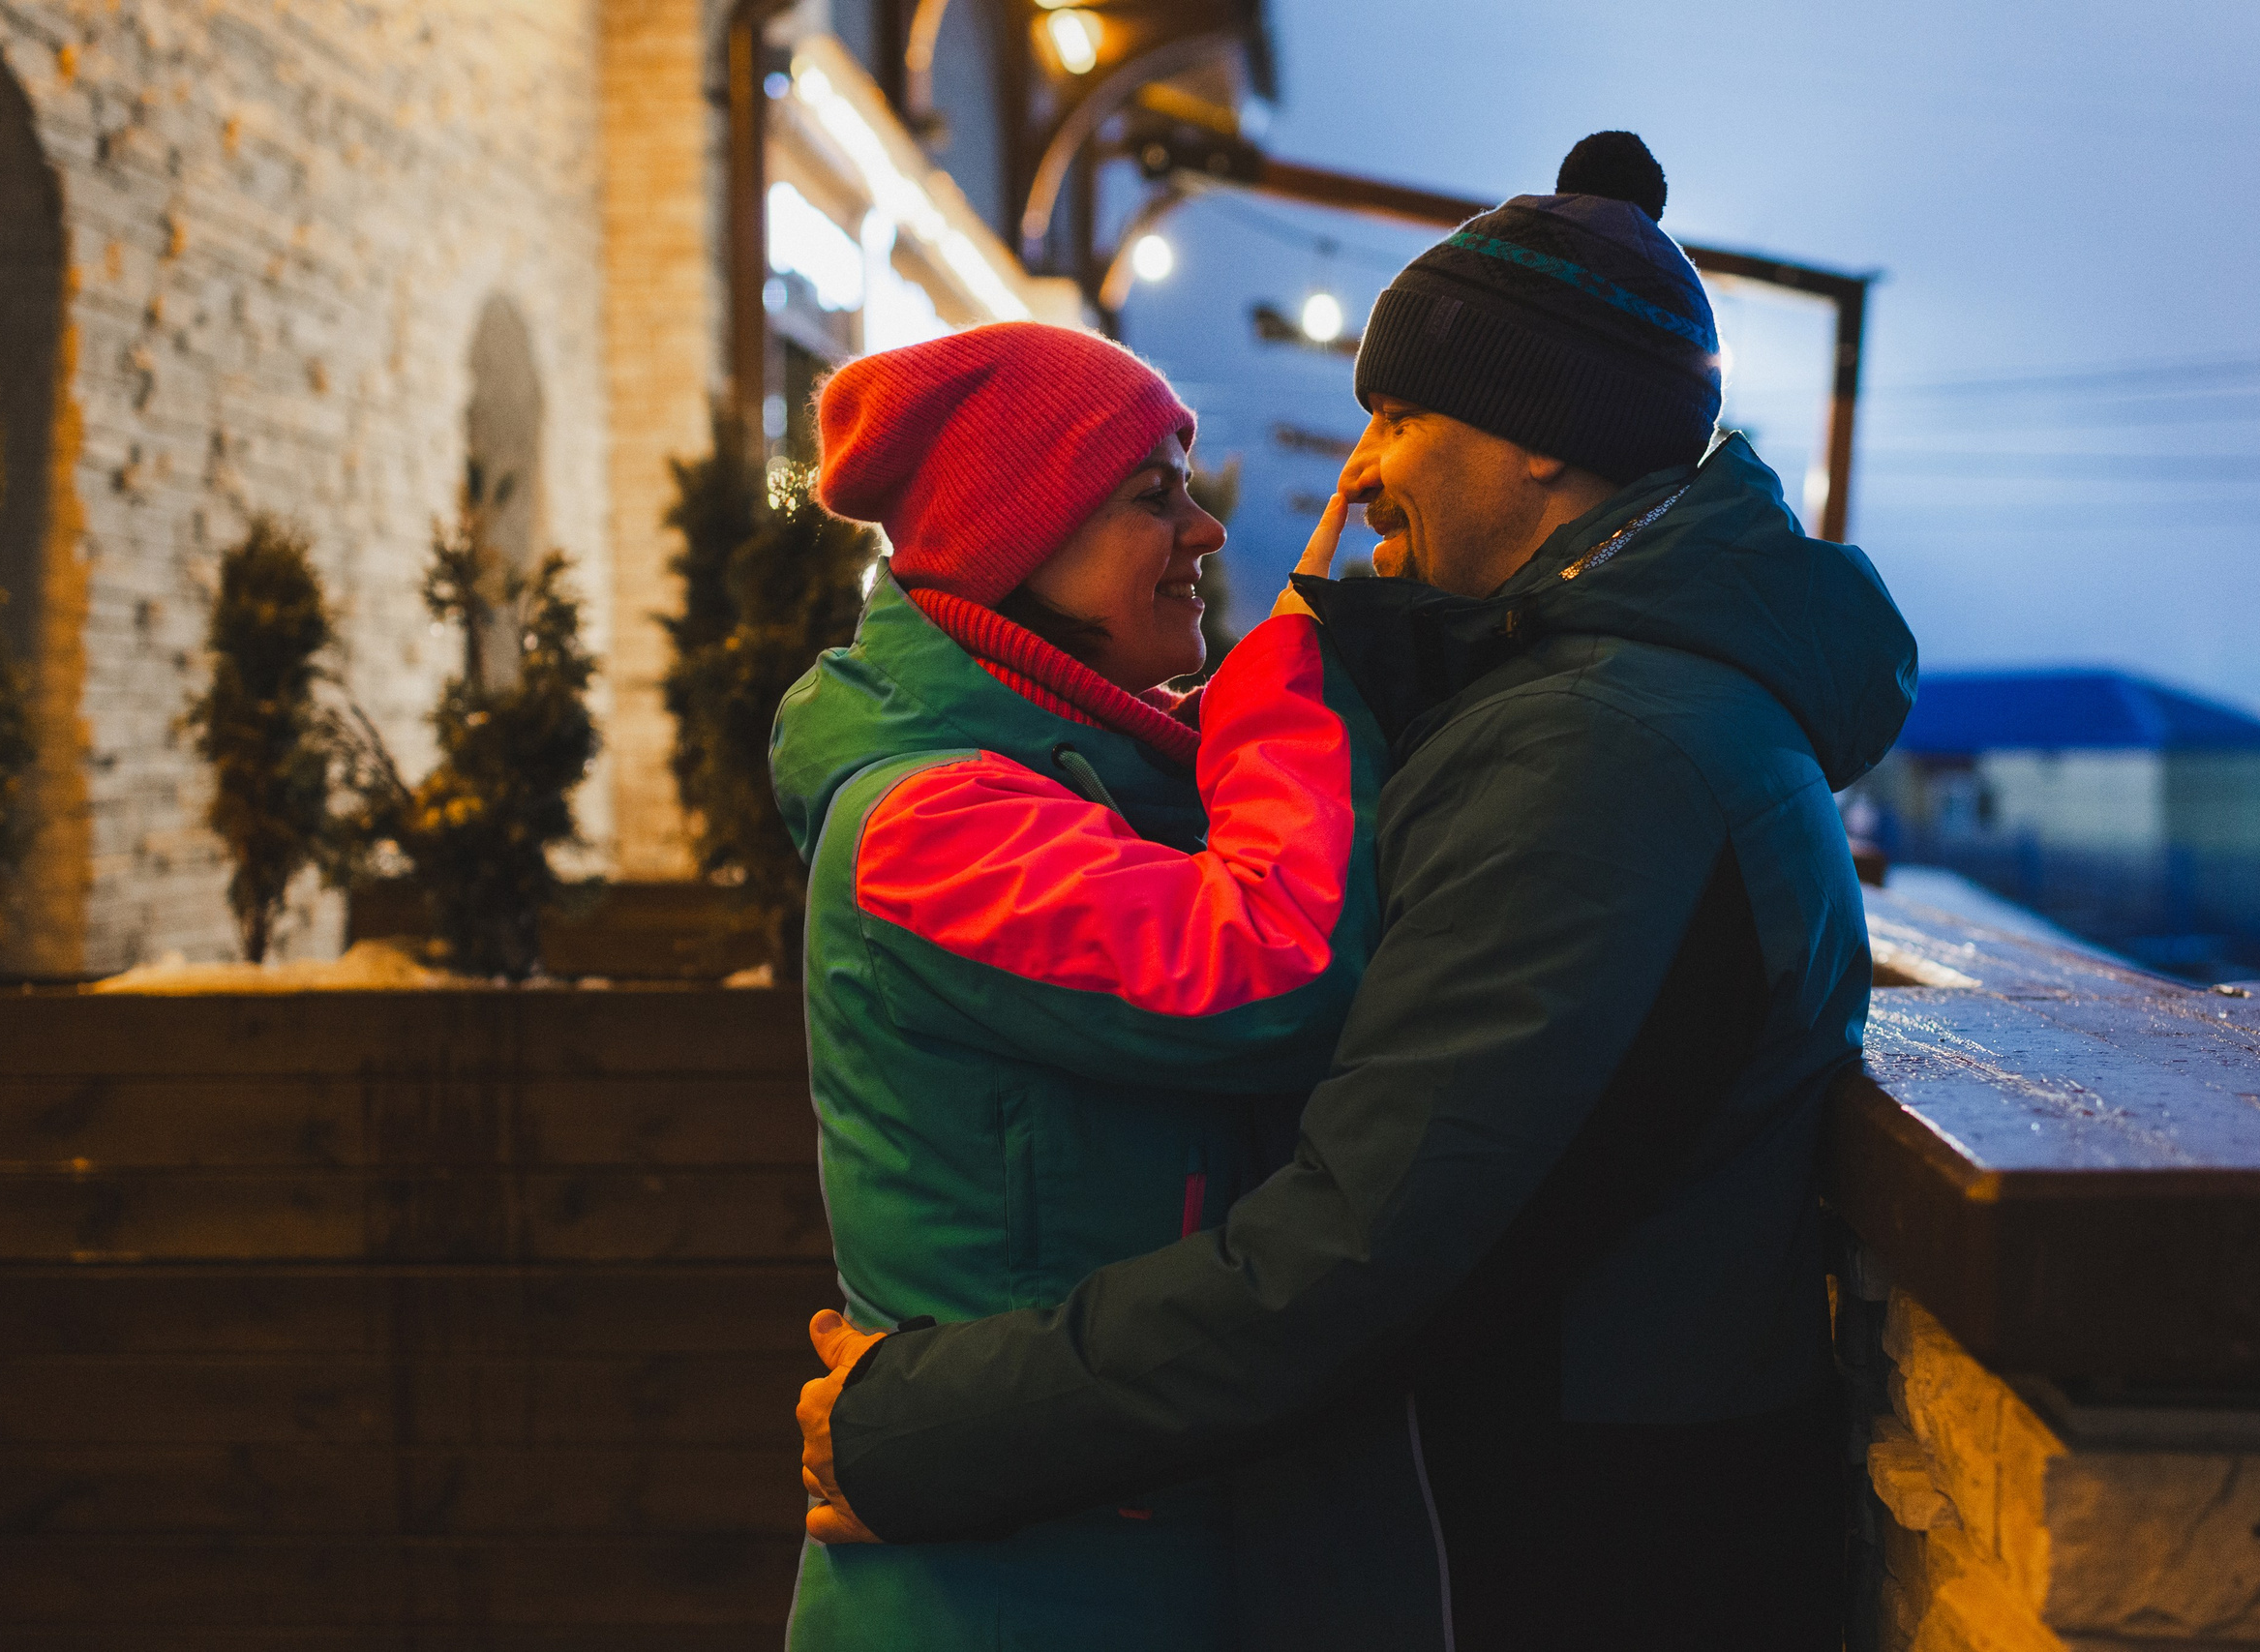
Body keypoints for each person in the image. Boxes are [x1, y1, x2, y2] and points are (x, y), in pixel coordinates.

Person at [796, 133, 1919, 1650]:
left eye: (1396, 414)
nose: (1360, 467)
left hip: (1553, 1551)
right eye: (1152, 496)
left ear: (1543, 438)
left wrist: (915, 1430)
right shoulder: (1602, 713)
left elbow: (1356, 1245)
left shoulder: (1597, 747)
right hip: (1451, 1529)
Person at [769, 320, 1388, 1650]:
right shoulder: (934, 825)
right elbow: (1271, 966)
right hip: (998, 1592)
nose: (1207, 533)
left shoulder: (1080, 785)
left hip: (1079, 1544)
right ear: (1015, 543)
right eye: (1149, 499)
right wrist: (1285, 691)